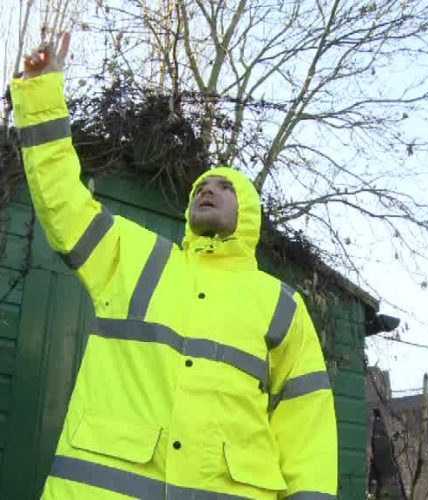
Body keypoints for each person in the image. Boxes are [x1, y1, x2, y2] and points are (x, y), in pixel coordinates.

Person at [11, 33, 338, 499]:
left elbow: (307, 426)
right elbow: (62, 199)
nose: (209, 189)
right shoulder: (134, 257)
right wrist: (41, 96)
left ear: (248, 212)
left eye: (226, 187)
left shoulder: (281, 304)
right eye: (203, 186)